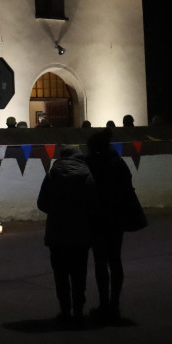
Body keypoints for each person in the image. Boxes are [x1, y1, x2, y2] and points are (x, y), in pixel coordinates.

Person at [37, 145, 97, 327]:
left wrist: (57, 211)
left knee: (61, 274)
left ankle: (65, 310)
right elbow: (93, 203)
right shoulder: (87, 175)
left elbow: (42, 203)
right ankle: (78, 310)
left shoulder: (52, 174)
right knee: (79, 273)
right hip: (80, 232)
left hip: (57, 232)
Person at [86, 127, 135, 323]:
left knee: (100, 262)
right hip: (116, 217)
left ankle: (105, 304)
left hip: (97, 217)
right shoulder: (117, 162)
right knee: (115, 260)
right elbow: (127, 184)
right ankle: (114, 305)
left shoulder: (91, 164)